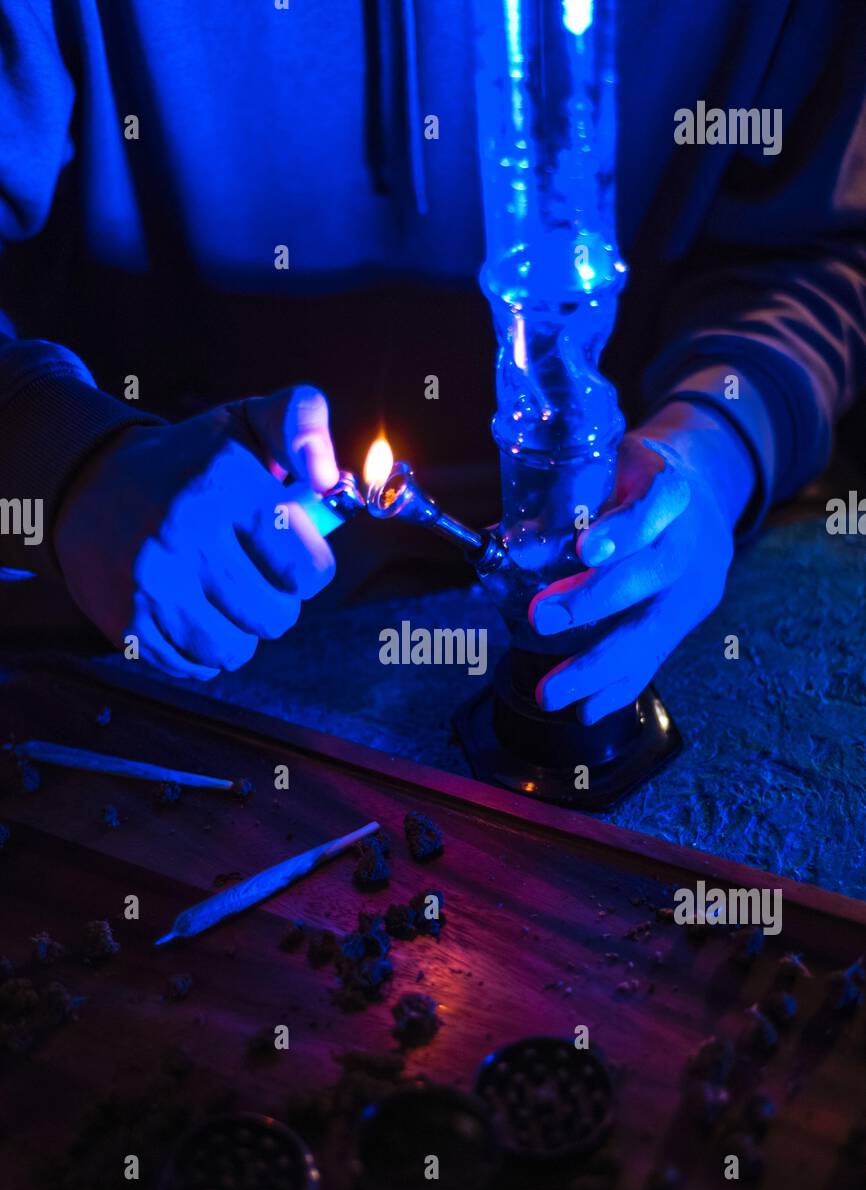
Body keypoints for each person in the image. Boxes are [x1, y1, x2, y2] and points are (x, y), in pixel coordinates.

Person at [1, 1, 864, 719]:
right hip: (111, 674)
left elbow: (820, 247)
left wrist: (714, 448)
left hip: (637, 628)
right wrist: (70, 459)